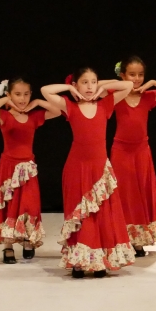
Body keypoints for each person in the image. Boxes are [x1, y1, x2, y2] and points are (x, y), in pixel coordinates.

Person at [41, 68, 135, 277]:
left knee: (101, 215)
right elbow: (45, 90)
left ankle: (99, 261)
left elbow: (128, 85)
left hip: (100, 169)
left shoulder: (105, 104)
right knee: (80, 215)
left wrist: (101, 86)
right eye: (85, 82)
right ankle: (78, 261)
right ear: (76, 85)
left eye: (93, 81)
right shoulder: (70, 106)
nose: (90, 86)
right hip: (77, 168)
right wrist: (69, 88)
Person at [0, 77, 61, 264]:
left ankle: (28, 240)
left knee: (29, 205)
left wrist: (36, 102)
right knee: (9, 205)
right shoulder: (4, 115)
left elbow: (57, 111)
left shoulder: (33, 116)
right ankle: (8, 245)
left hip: (27, 169)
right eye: (17, 94)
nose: (22, 98)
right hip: (8, 167)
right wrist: (7, 100)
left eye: (26, 94)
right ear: (9, 94)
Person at [110, 56, 156, 256]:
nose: (137, 78)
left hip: (141, 151)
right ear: (123, 75)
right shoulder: (116, 96)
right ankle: (121, 238)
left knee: (140, 194)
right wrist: (123, 85)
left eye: (141, 74)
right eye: (132, 74)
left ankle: (138, 240)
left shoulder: (148, 96)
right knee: (124, 194)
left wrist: (153, 82)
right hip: (121, 151)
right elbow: (99, 86)